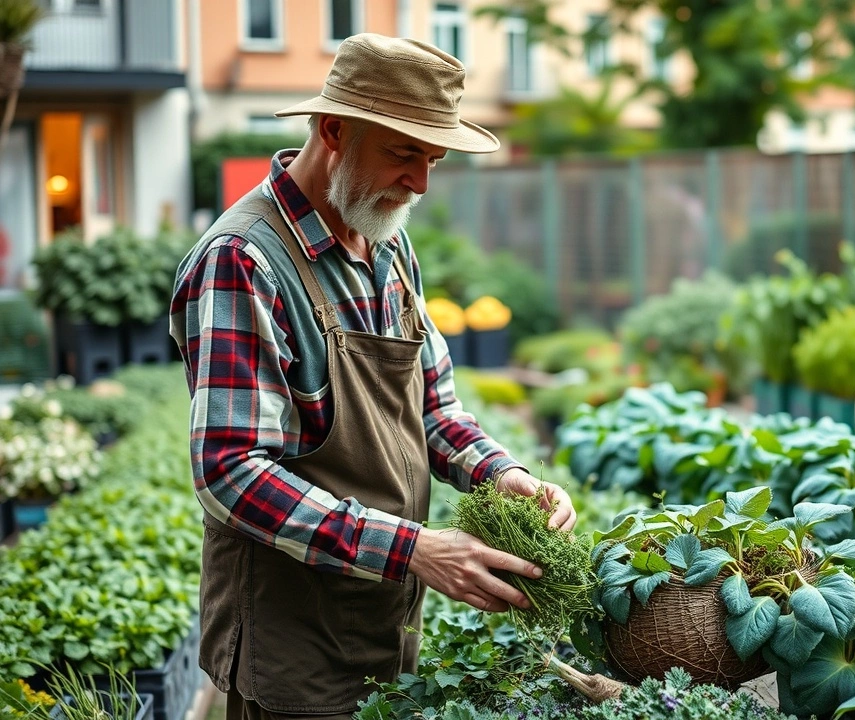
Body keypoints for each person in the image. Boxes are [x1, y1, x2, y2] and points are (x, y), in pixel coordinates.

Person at [168, 34, 576, 720]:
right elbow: (230, 471)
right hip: (290, 641)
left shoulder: (386, 238)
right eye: (403, 153)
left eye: (433, 159)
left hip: (384, 620)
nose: (420, 182)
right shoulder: (244, 260)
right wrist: (414, 548)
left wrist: (503, 475)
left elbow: (432, 407)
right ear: (333, 130)